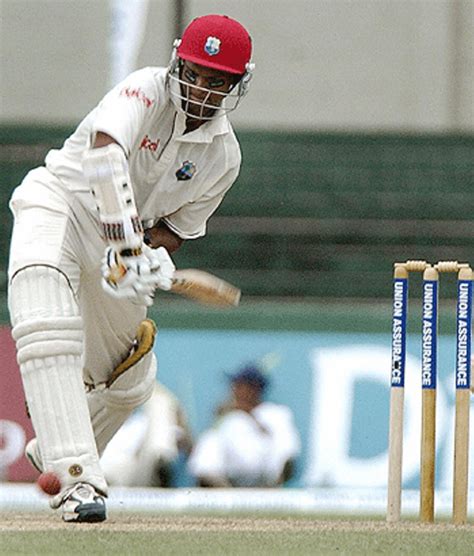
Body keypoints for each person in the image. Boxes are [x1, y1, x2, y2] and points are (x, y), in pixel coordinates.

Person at [7, 14, 254, 522]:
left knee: (128, 379)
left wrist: (147, 254)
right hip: (62, 203)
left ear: (234, 85)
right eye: (194, 72)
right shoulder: (144, 88)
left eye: (216, 81)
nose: (200, 88)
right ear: (177, 62)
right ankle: (78, 482)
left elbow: (175, 230)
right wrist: (124, 240)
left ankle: (55, 442)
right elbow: (103, 158)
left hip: (122, 240)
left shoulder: (224, 156)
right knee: (44, 309)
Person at [187, 364, 301, 488]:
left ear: (254, 388)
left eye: (239, 385)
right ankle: (226, 493)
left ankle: (272, 490)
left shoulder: (275, 412)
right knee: (210, 440)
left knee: (284, 443)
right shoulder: (229, 416)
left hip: (265, 472)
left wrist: (247, 412)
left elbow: (285, 448)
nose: (234, 390)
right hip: (233, 476)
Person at [100, 381, 193, 488]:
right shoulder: (101, 423)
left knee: (160, 403)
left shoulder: (141, 423)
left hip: (132, 475)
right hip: (100, 471)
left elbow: (182, 438)